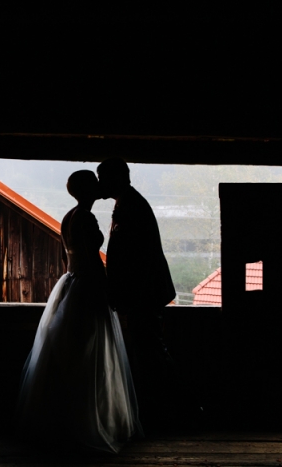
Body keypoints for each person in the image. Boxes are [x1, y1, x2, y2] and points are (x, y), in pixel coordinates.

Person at [15, 170, 142, 453]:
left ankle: (62, 420)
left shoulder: (68, 216)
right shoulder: (86, 217)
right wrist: (105, 286)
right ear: (88, 189)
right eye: (95, 183)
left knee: (71, 350)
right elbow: (91, 253)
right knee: (92, 351)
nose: (100, 186)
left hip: (71, 282)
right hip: (89, 284)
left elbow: (66, 257)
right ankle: (91, 421)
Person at [96, 157, 192, 430]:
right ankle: (168, 411)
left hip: (144, 295)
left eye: (102, 178)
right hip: (143, 294)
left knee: (151, 353)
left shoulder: (132, 207)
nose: (100, 184)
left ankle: (176, 412)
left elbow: (137, 259)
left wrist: (124, 295)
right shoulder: (128, 203)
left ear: (115, 179)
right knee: (149, 352)